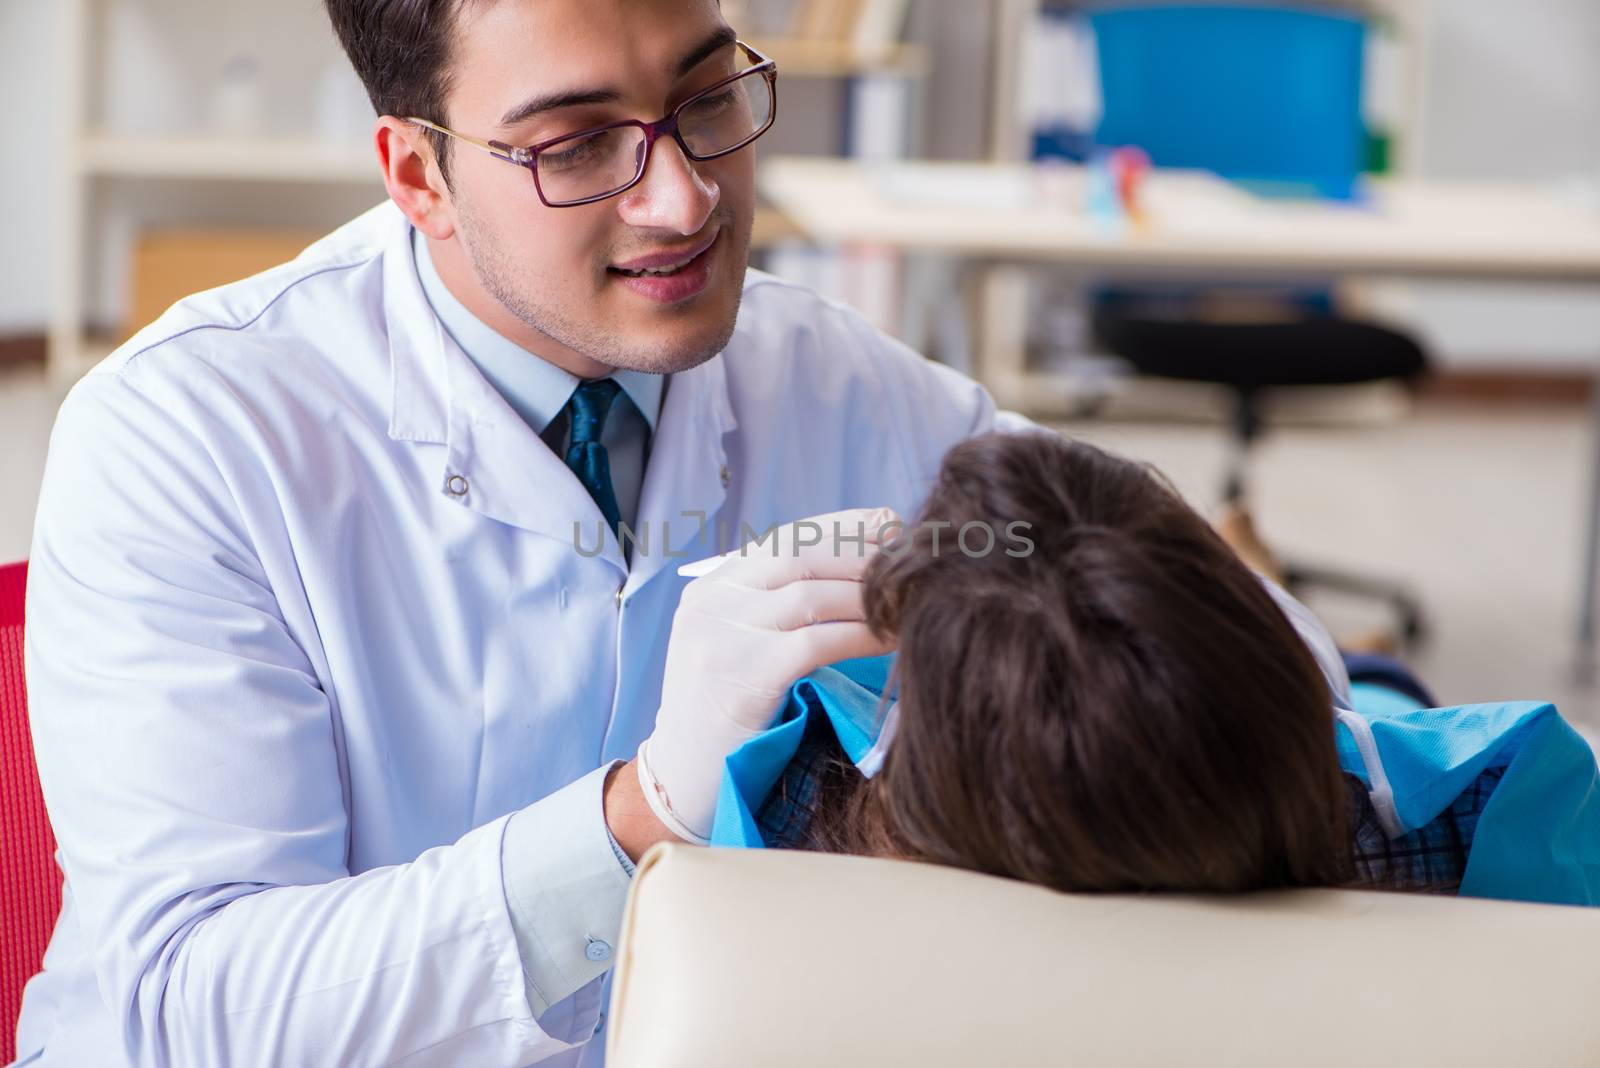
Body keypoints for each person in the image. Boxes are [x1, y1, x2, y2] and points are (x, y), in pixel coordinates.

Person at [14, 2, 1025, 1065]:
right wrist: (644, 815)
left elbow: (1139, 589)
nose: (686, 198)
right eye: (577, 143)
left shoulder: (844, 382)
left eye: (708, 96)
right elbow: (199, 1008)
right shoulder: (189, 432)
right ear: (418, 176)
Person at [742, 432, 1600, 905]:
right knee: (1380, 688)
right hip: (1320, 716)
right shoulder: (1425, 836)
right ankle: (1266, 577)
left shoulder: (822, 829)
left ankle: (1261, 574)